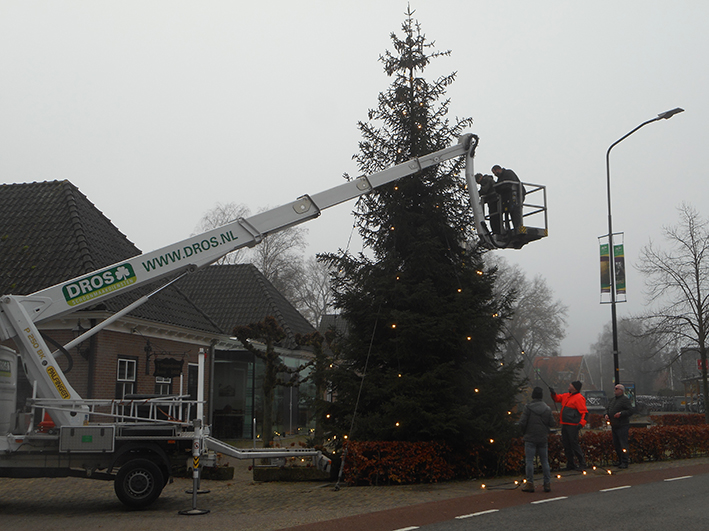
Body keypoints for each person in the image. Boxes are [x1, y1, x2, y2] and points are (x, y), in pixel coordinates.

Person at [518, 386, 555, 493]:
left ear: (533, 395)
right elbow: (552, 423)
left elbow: (522, 422)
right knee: (544, 461)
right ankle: (547, 484)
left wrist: (524, 432)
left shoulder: (528, 407)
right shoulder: (547, 409)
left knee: (529, 461)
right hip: (543, 438)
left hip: (530, 437)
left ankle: (530, 484)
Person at [550, 380, 588, 471]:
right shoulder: (566, 395)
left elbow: (585, 413)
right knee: (567, 445)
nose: (569, 385)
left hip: (573, 425)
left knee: (574, 444)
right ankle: (571, 464)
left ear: (574, 388)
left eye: (571, 384)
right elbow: (557, 399)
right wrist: (553, 393)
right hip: (565, 424)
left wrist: (581, 424)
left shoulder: (579, 398)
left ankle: (582, 463)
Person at [604, 384, 633, 469]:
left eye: (616, 389)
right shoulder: (612, 400)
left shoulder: (625, 400)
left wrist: (621, 414)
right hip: (614, 425)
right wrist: (606, 414)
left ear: (621, 390)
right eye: (614, 389)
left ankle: (625, 461)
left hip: (622, 425)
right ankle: (620, 460)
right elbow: (607, 408)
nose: (614, 390)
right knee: (616, 444)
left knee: (623, 444)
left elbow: (630, 410)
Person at [491, 165, 525, 230]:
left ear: (498, 170)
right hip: (508, 198)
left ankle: (518, 227)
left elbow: (509, 185)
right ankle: (509, 228)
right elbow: (497, 188)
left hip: (516, 195)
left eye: (494, 172)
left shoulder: (508, 173)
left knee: (515, 212)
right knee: (507, 212)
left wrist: (502, 187)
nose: (495, 175)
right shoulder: (500, 178)